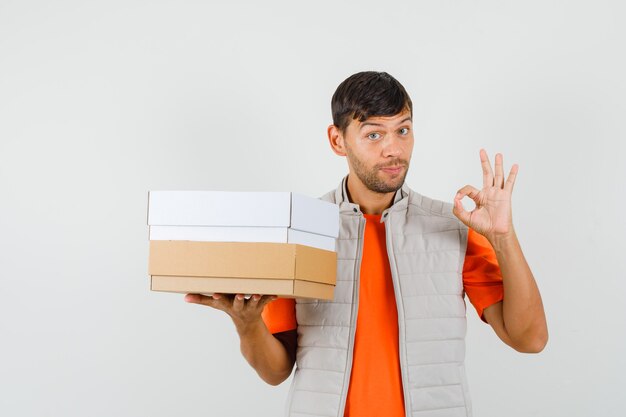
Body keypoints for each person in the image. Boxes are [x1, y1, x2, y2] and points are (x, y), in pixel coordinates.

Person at [184, 71, 548, 417]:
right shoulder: (300, 232)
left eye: (402, 130)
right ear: (337, 140)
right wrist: (247, 324)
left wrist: (503, 238)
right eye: (374, 135)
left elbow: (529, 339)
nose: (394, 149)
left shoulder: (454, 227)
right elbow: (276, 370)